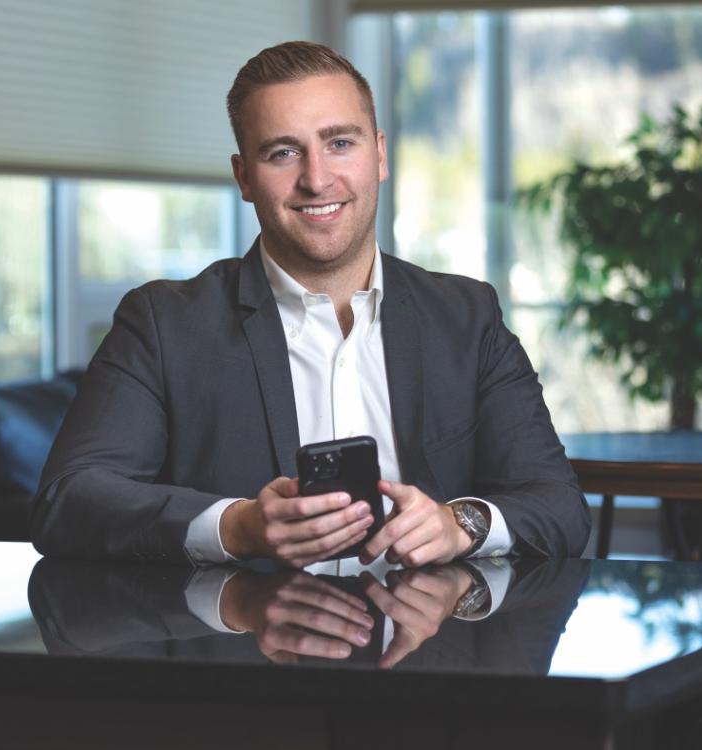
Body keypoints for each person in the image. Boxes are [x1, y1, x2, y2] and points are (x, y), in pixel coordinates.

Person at [30, 41, 590, 568]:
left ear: (379, 155)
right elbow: (69, 499)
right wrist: (237, 527)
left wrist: (459, 523)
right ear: (244, 178)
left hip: (428, 654)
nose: (316, 179)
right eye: (283, 153)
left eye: (340, 143)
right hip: (247, 660)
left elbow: (558, 504)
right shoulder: (163, 323)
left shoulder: (468, 317)